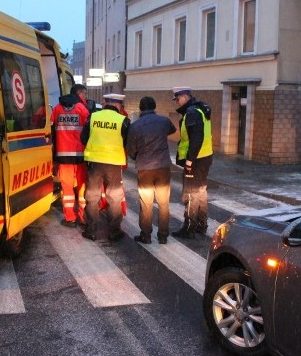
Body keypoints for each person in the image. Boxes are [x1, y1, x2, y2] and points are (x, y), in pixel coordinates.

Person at [80, 93, 131, 242]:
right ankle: (114, 232)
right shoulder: (124, 121)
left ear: (105, 103)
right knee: (114, 197)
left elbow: (83, 138)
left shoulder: (93, 117)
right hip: (114, 164)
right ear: (118, 105)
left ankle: (90, 231)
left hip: (94, 162)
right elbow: (128, 143)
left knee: (92, 196)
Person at [126, 96, 177, 244]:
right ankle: (162, 236)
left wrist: (138, 157)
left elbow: (131, 149)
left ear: (141, 108)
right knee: (163, 202)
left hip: (145, 168)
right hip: (163, 167)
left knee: (146, 203)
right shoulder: (164, 121)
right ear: (154, 106)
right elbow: (171, 130)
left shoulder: (135, 126)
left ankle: (146, 235)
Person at [171, 86, 213, 239]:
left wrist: (189, 160)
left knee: (190, 193)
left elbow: (196, 138)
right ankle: (201, 225)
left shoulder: (192, 113)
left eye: (177, 99)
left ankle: (189, 228)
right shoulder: (200, 109)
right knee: (201, 191)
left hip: (196, 160)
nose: (176, 102)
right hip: (205, 157)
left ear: (184, 97)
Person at [51, 84, 90, 227]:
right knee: (82, 187)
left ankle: (70, 218)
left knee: (66, 188)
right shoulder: (81, 108)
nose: (85, 97)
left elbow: (50, 127)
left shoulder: (57, 108)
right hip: (80, 156)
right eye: (84, 94)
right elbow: (89, 128)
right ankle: (84, 216)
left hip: (63, 156)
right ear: (79, 94)